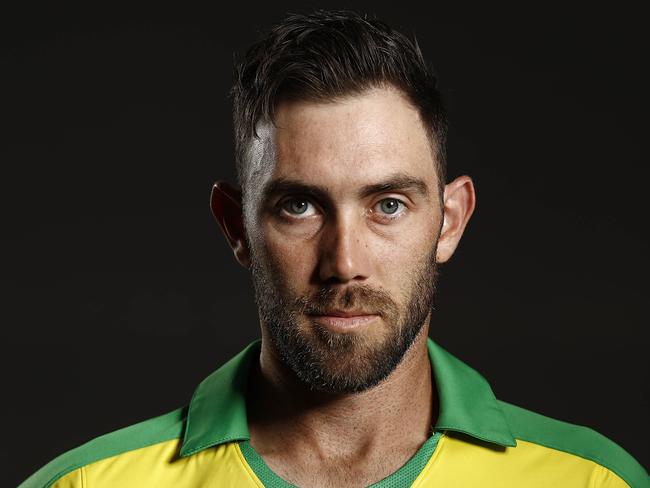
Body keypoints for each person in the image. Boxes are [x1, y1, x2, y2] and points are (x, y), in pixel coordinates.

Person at [19, 9, 648, 488]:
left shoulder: (594, 482)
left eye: (388, 205)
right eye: (300, 206)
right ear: (236, 226)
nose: (344, 261)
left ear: (449, 221)